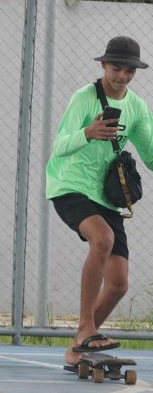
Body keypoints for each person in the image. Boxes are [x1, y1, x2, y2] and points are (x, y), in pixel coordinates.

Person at [46, 36, 153, 366]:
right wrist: (88, 133)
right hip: (70, 185)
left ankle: (77, 349)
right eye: (116, 68)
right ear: (103, 66)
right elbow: (60, 145)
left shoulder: (136, 107)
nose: (121, 76)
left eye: (129, 70)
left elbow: (150, 153)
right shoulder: (85, 98)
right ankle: (85, 328)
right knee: (102, 238)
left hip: (106, 196)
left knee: (119, 284)